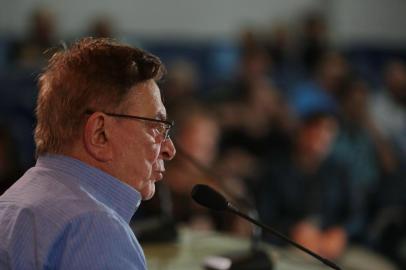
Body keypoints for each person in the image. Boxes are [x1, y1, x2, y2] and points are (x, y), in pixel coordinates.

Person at [0, 38, 176, 269]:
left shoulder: (12, 201)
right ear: (100, 134)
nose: (169, 149)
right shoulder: (96, 229)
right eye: (155, 126)